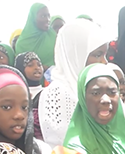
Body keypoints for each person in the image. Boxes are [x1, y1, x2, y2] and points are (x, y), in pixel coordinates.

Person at [38, 18, 108, 147]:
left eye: (105, 54)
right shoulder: (57, 93)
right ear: (76, 55)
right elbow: (64, 144)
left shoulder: (102, 87)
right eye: (98, 55)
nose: (105, 62)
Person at [15, 3, 57, 68]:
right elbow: (22, 67)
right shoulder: (22, 43)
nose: (47, 19)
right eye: (43, 16)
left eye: (48, 16)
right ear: (33, 18)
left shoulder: (53, 36)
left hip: (56, 76)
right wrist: (43, 68)